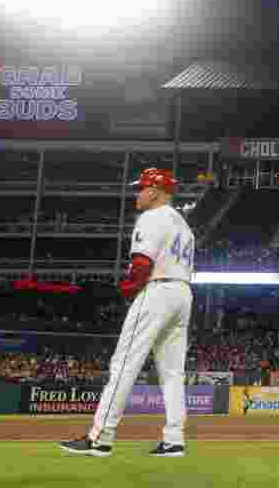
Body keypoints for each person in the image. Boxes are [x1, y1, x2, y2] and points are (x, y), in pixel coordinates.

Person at [60, 168, 195, 457]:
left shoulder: (152, 216)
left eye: (141, 188)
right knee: (172, 373)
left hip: (158, 290)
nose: (138, 193)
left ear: (155, 192)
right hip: (183, 293)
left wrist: (121, 292)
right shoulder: (183, 224)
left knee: (124, 364)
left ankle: (100, 438)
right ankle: (174, 440)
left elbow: (141, 265)